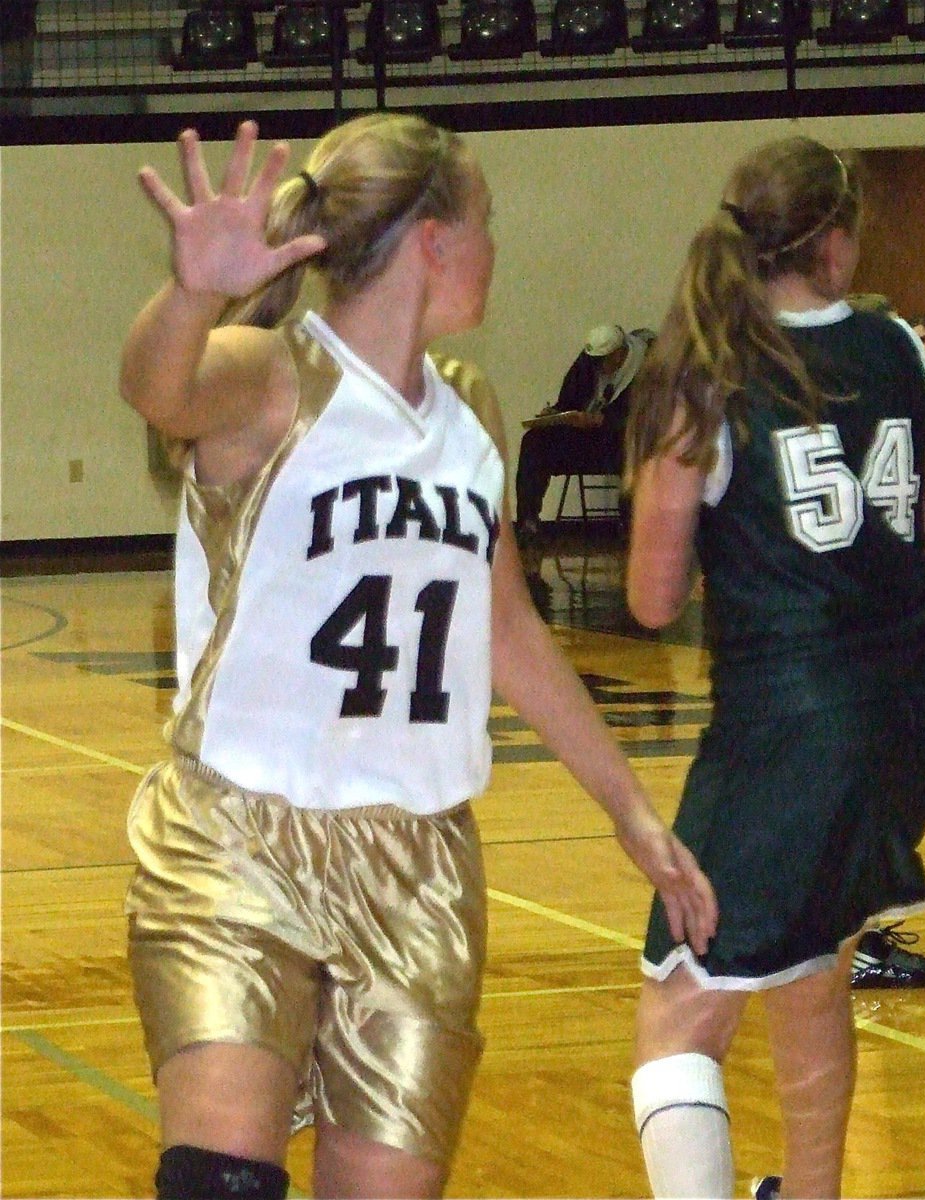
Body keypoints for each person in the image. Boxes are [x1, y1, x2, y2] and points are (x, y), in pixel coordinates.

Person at [118, 116, 718, 1200]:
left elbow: (505, 631)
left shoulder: (469, 412)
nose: (498, 245)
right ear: (434, 239)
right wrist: (192, 294)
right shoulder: (268, 377)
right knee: (219, 1178)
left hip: (418, 861)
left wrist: (630, 811)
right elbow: (159, 389)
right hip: (237, 834)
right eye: (488, 223)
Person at [622, 136, 925, 1199]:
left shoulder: (709, 371)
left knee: (677, 1014)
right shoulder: (900, 349)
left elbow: (649, 599)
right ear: (833, 238)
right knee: (807, 963)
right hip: (913, 714)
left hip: (791, 724)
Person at [514, 323, 653, 540]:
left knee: (636, 449)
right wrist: (556, 415)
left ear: (619, 355)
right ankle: (528, 521)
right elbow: (569, 401)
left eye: (603, 361)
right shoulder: (588, 363)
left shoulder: (649, 367)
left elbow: (650, 419)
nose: (597, 367)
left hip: (623, 443)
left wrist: (604, 421)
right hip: (587, 437)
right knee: (534, 441)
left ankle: (630, 526)